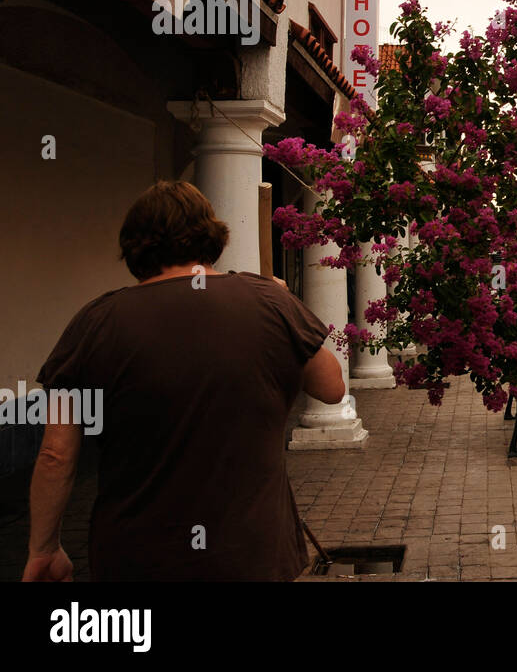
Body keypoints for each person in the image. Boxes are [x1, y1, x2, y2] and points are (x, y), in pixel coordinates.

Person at [23, 180, 346, 582]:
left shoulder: (95, 322)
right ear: (210, 236)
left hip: (137, 557)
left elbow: (56, 455)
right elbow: (332, 388)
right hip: (252, 553)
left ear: (134, 245)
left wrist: (44, 549)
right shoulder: (268, 301)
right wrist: (286, 307)